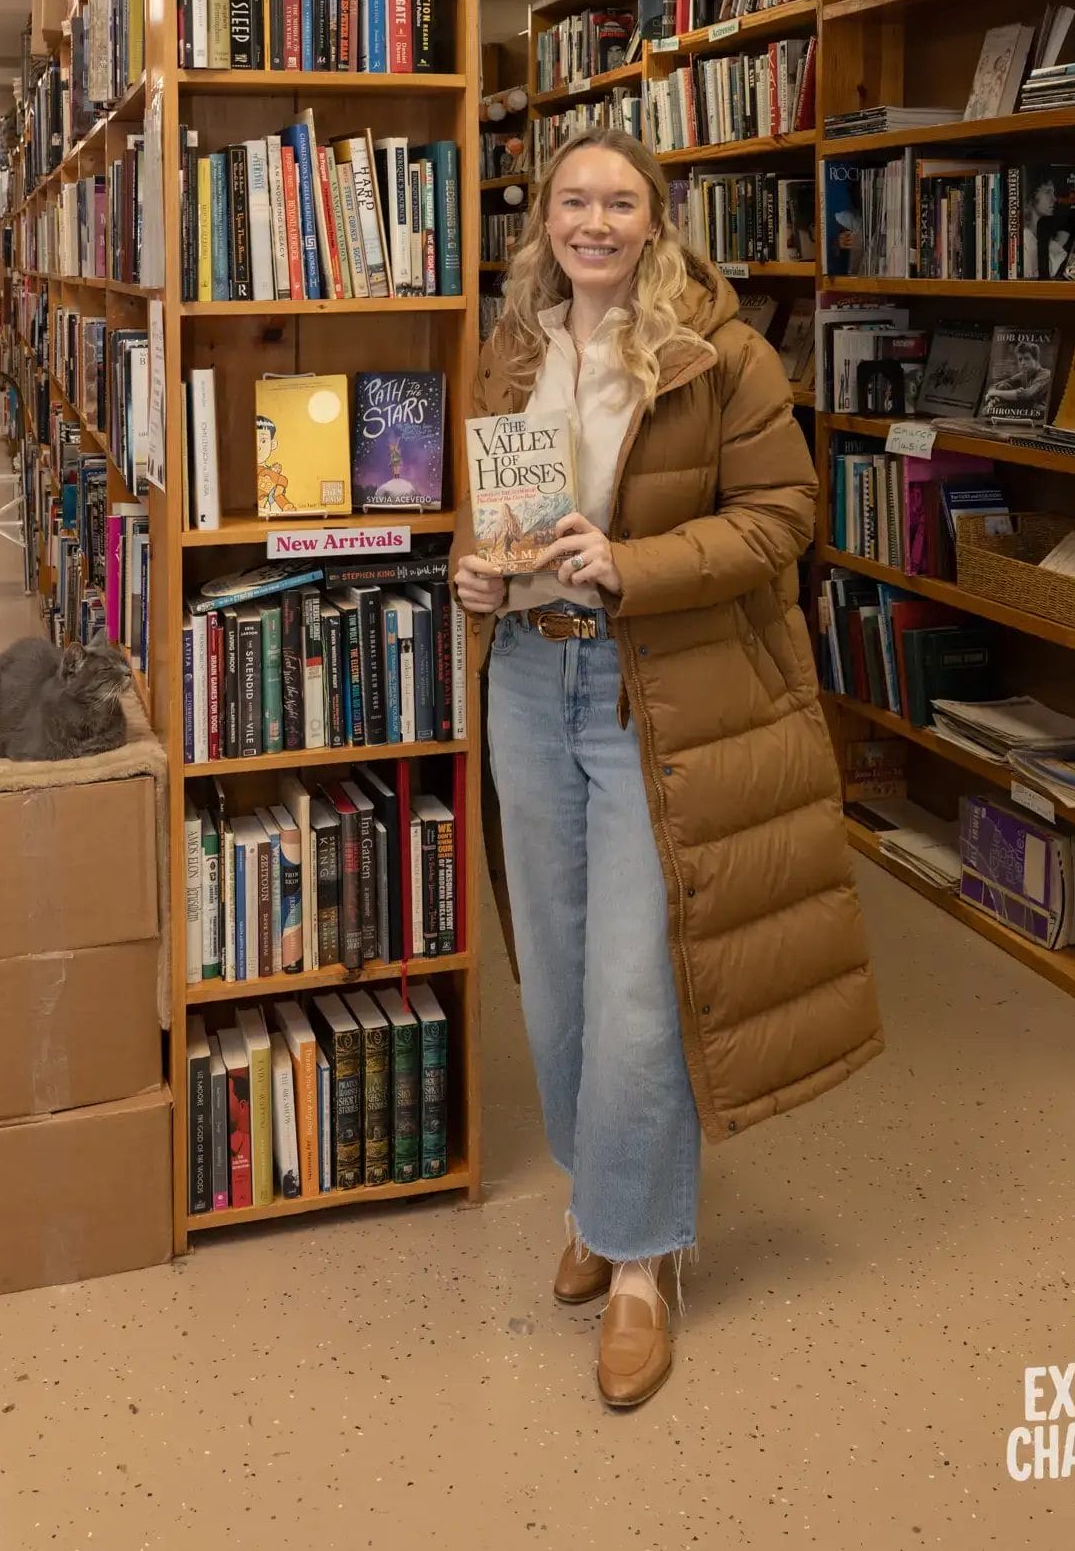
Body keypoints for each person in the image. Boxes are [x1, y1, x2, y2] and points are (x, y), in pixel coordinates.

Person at [450, 128, 881, 1413]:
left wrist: (625, 565)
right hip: (527, 675)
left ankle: (640, 1262)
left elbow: (781, 522)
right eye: (571, 200)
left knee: (642, 983)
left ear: (654, 220)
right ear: (543, 220)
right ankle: (600, 1195)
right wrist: (472, 573)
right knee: (558, 976)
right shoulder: (509, 347)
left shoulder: (720, 355)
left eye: (617, 201)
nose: (593, 221)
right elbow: (483, 512)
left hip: (659, 694)